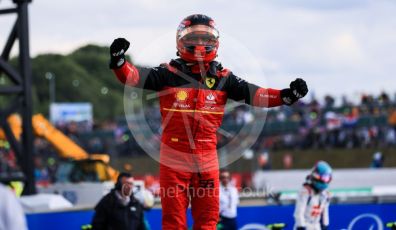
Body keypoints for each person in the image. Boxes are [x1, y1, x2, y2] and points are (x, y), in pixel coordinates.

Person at [109, 14, 308, 229]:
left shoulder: (224, 78)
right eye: (195, 38)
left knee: (208, 221)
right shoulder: (167, 73)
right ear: (181, 41)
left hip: (207, 157)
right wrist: (119, 62)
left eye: (206, 39)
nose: (201, 44)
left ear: (215, 42)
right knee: (174, 222)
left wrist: (287, 95)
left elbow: (257, 94)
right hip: (174, 156)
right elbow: (134, 76)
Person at [294, 161, 332, 230]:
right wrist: (301, 226)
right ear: (316, 176)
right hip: (305, 225)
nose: (326, 180)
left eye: (327, 178)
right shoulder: (305, 191)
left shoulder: (325, 194)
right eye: (324, 177)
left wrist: (325, 225)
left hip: (317, 225)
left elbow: (325, 212)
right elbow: (299, 212)